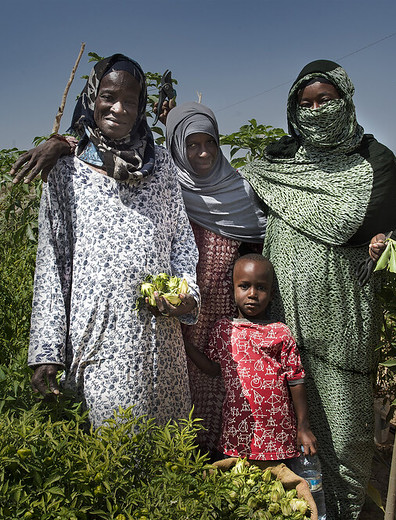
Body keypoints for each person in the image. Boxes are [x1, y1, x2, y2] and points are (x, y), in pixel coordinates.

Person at [239, 60, 396, 519]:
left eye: (325, 101)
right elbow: (215, 194)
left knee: (346, 423)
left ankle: (346, 509)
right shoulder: (277, 163)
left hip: (344, 316)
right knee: (283, 413)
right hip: (284, 313)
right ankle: (299, 505)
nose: (315, 111)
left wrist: (384, 247)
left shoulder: (375, 162)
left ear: (346, 101)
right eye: (305, 103)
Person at [26, 53, 201, 427]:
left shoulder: (162, 165)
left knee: (168, 450)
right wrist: (46, 348)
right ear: (92, 97)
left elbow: (181, 242)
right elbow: (52, 263)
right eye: (108, 96)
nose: (119, 108)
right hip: (100, 335)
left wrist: (186, 294)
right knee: (113, 450)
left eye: (131, 100)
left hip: (161, 339)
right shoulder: (66, 168)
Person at [165, 102, 266, 454]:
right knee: (175, 384)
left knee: (218, 386)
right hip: (175, 311)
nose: (203, 152)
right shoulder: (164, 187)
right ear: (176, 145)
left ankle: (215, 462)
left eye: (210, 142)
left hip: (225, 314)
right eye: (192, 144)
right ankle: (177, 463)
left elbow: (259, 243)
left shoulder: (238, 188)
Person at [184, 254, 316, 462]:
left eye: (261, 288)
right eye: (244, 286)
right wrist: (185, 346)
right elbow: (212, 368)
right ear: (233, 290)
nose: (252, 294)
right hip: (236, 432)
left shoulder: (280, 332)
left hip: (278, 432)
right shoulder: (224, 330)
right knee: (236, 485)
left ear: (272, 294)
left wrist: (303, 426)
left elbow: (296, 379)